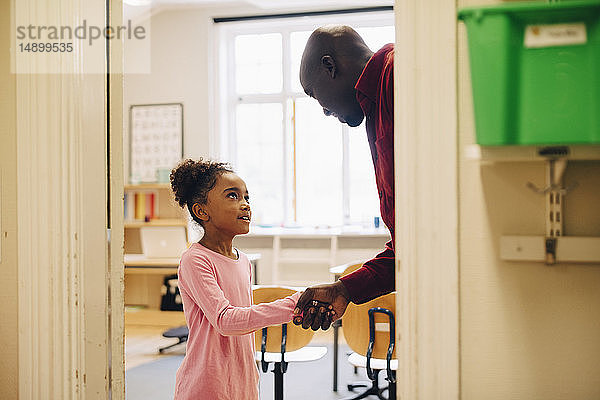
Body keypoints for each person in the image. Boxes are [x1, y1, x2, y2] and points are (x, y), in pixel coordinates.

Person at [170, 159, 301, 400]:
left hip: (243, 381)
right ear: (202, 211)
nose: (245, 205)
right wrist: (293, 305)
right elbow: (226, 320)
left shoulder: (243, 261)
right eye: (232, 196)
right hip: (207, 385)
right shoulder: (195, 260)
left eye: (246, 198)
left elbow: (245, 322)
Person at [293, 25, 395, 330]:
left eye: (314, 93)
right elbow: (412, 245)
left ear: (329, 66)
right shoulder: (373, 106)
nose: (324, 111)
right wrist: (345, 289)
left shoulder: (395, 76)